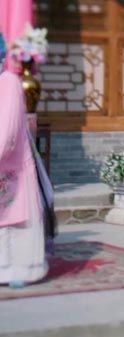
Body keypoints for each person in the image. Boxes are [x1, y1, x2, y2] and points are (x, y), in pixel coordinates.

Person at [0, 33, 52, 288]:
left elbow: (7, 130)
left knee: (15, 220)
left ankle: (19, 270)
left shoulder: (8, 82)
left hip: (11, 163)